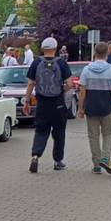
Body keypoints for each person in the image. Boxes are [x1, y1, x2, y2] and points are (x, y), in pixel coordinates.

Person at [24, 37, 73, 172]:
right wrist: (61, 90)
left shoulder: (36, 63)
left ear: (43, 49)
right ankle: (58, 161)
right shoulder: (62, 63)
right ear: (55, 48)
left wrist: (27, 101)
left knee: (41, 131)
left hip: (42, 103)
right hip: (57, 103)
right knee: (59, 133)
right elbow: (70, 84)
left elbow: (30, 83)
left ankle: (35, 156)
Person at [77, 42, 111, 174]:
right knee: (108, 134)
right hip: (107, 108)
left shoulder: (86, 69)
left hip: (91, 108)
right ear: (107, 53)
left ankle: (96, 165)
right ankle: (105, 157)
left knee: (93, 136)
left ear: (95, 53)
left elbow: (82, 91)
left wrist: (81, 108)